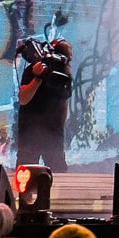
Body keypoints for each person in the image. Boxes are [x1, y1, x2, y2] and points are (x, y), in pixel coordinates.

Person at [14, 37, 72, 171]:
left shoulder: (65, 75)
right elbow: (23, 98)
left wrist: (60, 131)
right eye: (66, 56)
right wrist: (38, 77)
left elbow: (64, 103)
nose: (68, 60)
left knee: (58, 173)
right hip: (30, 133)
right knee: (26, 174)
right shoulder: (33, 70)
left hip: (53, 135)